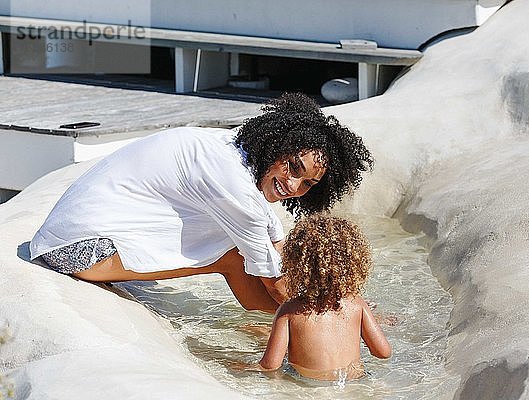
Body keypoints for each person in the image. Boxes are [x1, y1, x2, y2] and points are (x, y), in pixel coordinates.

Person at [29, 93, 373, 313]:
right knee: (232, 259)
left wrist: (338, 294)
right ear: (278, 145)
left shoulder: (234, 152)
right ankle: (282, 327)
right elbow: (274, 278)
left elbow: (276, 246)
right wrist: (339, 315)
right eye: (293, 167)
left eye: (308, 184)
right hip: (72, 251)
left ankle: (272, 327)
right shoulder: (234, 186)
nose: (294, 185)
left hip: (72, 236)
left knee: (241, 253)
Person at [254, 214, 391, 380]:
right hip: (353, 384)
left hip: (307, 387)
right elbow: (383, 352)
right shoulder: (357, 304)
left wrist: (234, 364)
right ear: (353, 263)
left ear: (296, 264)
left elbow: (270, 366)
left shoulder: (289, 310)